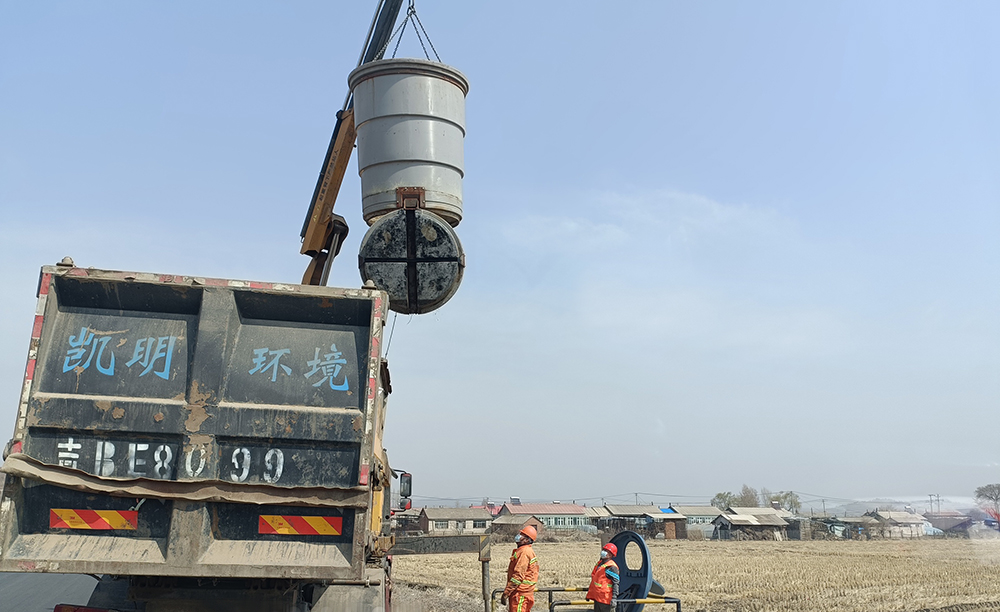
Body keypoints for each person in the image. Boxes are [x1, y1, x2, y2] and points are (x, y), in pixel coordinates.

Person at [500, 524, 539, 612]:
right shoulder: (526, 551)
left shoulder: (524, 552)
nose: (519, 536)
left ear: (527, 540)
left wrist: (506, 593)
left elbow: (518, 576)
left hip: (520, 594)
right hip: (525, 593)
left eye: (522, 535)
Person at [585, 542, 620, 612]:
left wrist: (614, 598)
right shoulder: (600, 564)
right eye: (604, 550)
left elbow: (616, 584)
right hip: (598, 599)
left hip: (606, 600)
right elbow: (595, 582)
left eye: (607, 551)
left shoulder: (611, 567)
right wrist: (589, 594)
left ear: (611, 555)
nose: (604, 552)